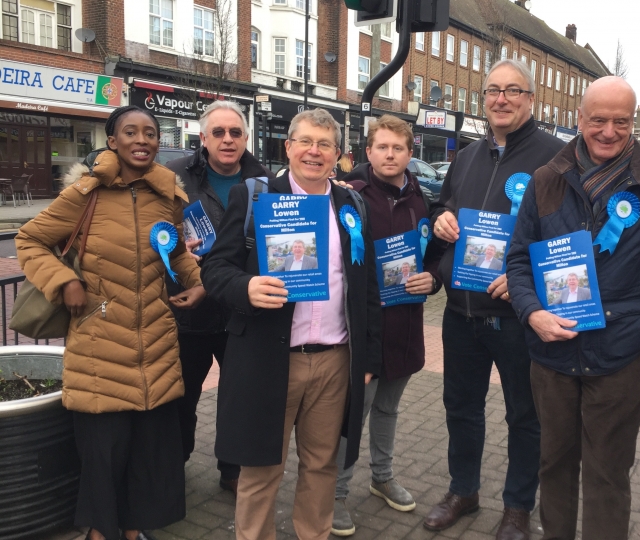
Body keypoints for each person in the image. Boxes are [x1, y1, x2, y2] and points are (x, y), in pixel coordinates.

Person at [505, 76, 640, 540]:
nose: (609, 131)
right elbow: (517, 260)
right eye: (598, 120)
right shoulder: (546, 180)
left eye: (621, 121)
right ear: (579, 118)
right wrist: (531, 313)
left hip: (621, 359)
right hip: (551, 357)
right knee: (553, 466)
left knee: (608, 476)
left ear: (633, 122)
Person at [15, 105, 204, 540]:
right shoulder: (85, 194)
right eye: (131, 132)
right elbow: (30, 240)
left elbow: (174, 251)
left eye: (151, 133)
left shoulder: (167, 197)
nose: (143, 140)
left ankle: (134, 530)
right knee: (104, 455)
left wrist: (197, 282)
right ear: (112, 141)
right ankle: (101, 532)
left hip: (155, 344)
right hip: (99, 344)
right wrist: (63, 281)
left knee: (146, 454)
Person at [200, 108, 382, 540]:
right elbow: (216, 269)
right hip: (270, 357)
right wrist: (245, 287)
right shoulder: (255, 196)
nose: (314, 152)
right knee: (262, 467)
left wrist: (369, 355)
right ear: (288, 147)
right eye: (305, 142)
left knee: (322, 465)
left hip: (335, 359)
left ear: (338, 154)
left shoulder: (352, 204)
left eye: (324, 144)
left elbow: (367, 287)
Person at [427, 59, 565, 540]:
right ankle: (463, 491)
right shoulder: (467, 156)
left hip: (515, 318)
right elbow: (444, 208)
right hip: (460, 312)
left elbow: (568, 237)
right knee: (460, 406)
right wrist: (442, 220)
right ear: (483, 98)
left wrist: (528, 283)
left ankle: (517, 508)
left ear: (531, 99)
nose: (501, 99)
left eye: (512, 91)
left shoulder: (555, 158)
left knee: (525, 415)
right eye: (493, 91)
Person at [333, 114, 443, 536]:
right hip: (366, 327)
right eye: (383, 147)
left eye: (399, 148)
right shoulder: (350, 196)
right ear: (369, 152)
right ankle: (337, 493)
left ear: (410, 154)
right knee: (353, 413)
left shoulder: (420, 199)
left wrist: (432, 278)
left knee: (389, 409)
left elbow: (433, 251)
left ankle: (382, 477)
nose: (390, 154)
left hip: (407, 326)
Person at [166, 100, 274, 495]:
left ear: (246, 138)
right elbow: (150, 231)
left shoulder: (264, 180)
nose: (228, 140)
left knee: (239, 401)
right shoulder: (174, 176)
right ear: (203, 138)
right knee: (181, 398)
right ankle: (174, 468)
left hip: (241, 314)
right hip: (188, 311)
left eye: (235, 133)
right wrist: (175, 244)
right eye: (219, 133)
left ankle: (232, 470)